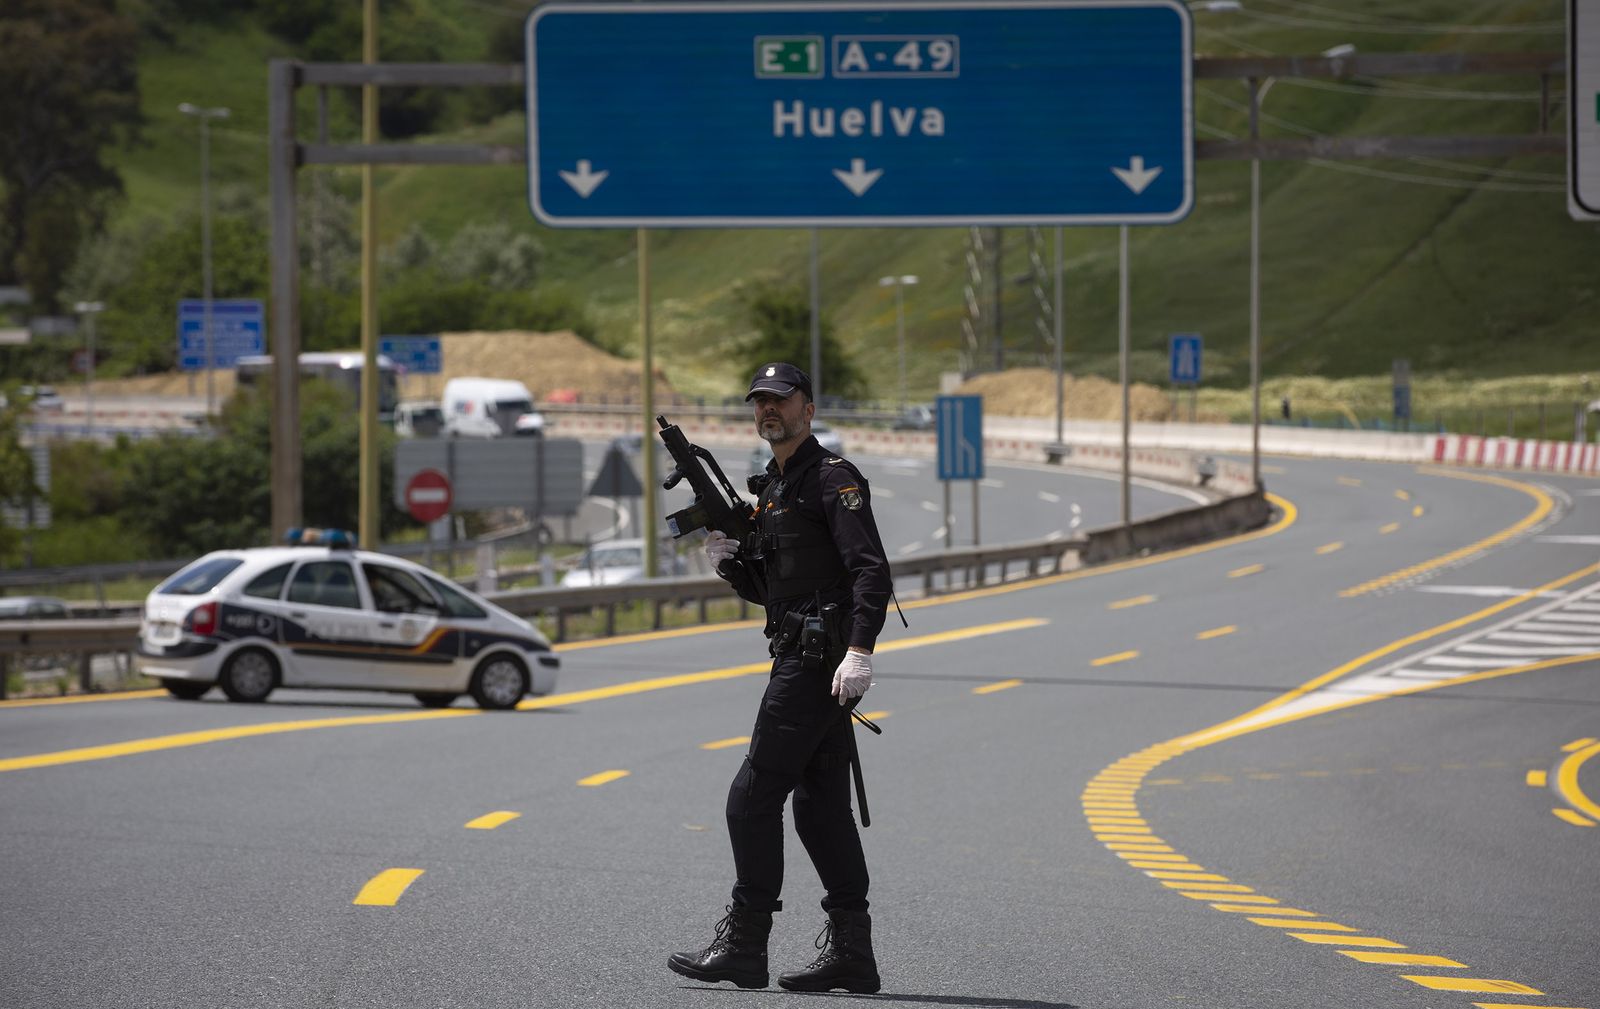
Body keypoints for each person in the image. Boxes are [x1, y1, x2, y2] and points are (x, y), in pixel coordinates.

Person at [668, 362, 893, 995]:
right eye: (760, 401)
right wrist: (730, 565)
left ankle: (745, 945)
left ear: (808, 410)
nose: (769, 409)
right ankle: (853, 954)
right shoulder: (774, 489)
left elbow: (871, 571)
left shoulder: (832, 479)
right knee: (819, 809)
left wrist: (860, 650)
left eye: (781, 400)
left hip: (818, 662)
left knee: (752, 797)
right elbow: (774, 590)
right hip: (799, 650)